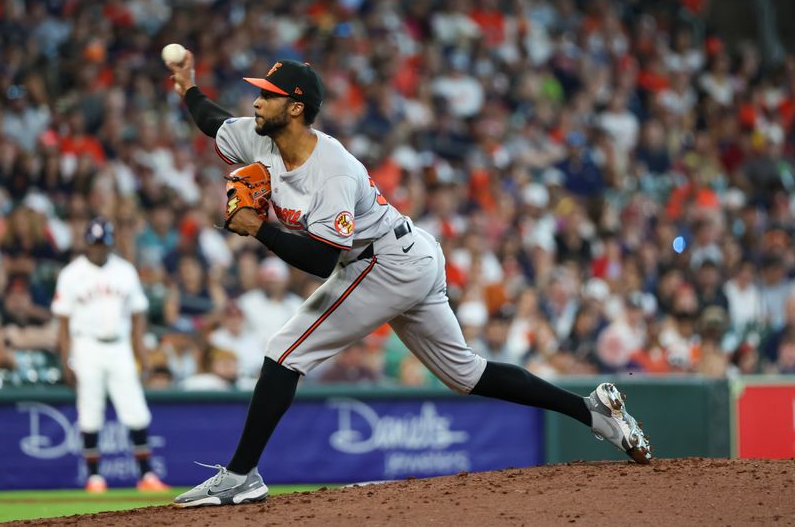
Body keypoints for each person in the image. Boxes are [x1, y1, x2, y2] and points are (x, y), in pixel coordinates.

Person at [166, 53, 651, 508]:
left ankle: (241, 476)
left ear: (295, 108)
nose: (256, 101)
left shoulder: (333, 169)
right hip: (403, 255)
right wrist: (188, 86)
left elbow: (320, 259)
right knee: (467, 374)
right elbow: (213, 120)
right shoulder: (258, 136)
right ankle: (594, 413)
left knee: (284, 350)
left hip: (387, 261)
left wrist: (261, 229)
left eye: (268, 94)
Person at [51, 217, 169, 493]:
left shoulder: (125, 271)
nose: (98, 249)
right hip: (86, 345)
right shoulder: (71, 273)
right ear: (86, 244)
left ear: (110, 243)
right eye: (94, 244)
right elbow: (63, 324)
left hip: (119, 346)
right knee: (90, 411)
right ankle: (94, 477)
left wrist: (143, 355)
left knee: (136, 411)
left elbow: (139, 316)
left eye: (102, 244)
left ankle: (147, 475)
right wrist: (67, 359)